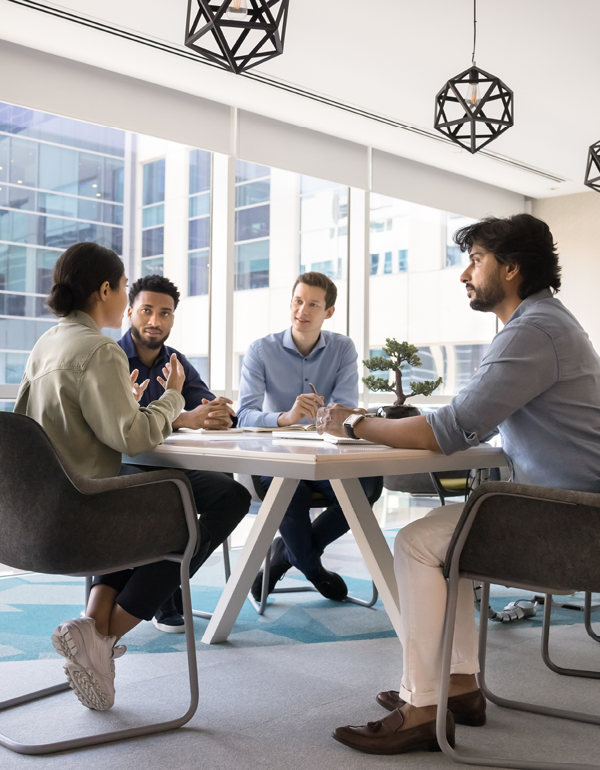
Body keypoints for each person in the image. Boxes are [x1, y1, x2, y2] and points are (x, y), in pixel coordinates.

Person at [317, 213, 600, 755]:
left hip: (573, 524)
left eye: (475, 260)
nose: (464, 274)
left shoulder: (534, 330)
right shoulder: (545, 324)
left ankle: (425, 706)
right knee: (446, 536)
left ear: (512, 269)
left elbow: (449, 429)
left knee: (418, 542)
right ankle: (460, 687)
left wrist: (353, 423)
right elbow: (474, 416)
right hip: (571, 510)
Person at [15, 242, 205, 712]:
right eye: (123, 287)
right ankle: (105, 635)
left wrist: (126, 399)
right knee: (218, 499)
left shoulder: (47, 343)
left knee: (149, 494)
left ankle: (91, 626)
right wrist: (173, 396)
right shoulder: (99, 349)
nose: (124, 297)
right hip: (82, 520)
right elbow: (134, 438)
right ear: (106, 290)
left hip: (27, 521)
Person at [237, 271, 381, 602]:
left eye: (313, 304)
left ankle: (287, 554)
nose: (302, 310)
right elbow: (243, 414)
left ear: (328, 311)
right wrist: (286, 417)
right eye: (297, 301)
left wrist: (328, 417)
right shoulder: (261, 350)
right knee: (291, 493)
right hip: (278, 459)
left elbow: (346, 410)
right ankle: (313, 569)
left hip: (328, 456)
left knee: (368, 486)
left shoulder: (343, 348)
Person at [118, 274, 251, 633]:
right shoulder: (111, 358)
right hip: (123, 467)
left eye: (165, 313)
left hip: (172, 468)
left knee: (233, 494)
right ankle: (158, 590)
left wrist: (221, 414)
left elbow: (205, 404)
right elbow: (124, 426)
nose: (155, 321)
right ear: (130, 312)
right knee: (172, 500)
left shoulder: (175, 361)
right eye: (146, 311)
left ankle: (165, 584)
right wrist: (183, 419)